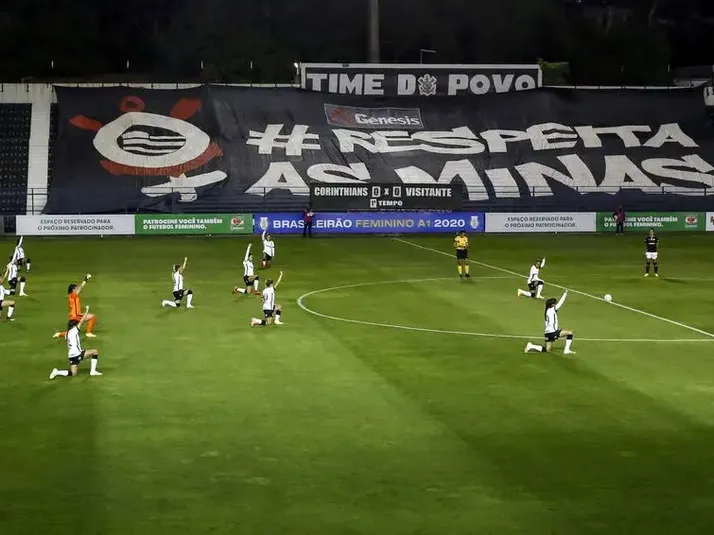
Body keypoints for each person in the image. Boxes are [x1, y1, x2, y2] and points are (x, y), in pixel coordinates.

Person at [49, 306, 102, 379]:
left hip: (71, 356)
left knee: (73, 373)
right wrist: (87, 311)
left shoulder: (67, 334)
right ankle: (93, 371)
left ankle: (57, 372)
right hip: (77, 354)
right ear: (74, 326)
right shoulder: (74, 330)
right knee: (95, 351)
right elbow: (82, 320)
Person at [524, 291, 575, 355]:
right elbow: (560, 303)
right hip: (553, 332)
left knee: (547, 350)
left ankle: (531, 346)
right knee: (570, 333)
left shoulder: (547, 312)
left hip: (547, 333)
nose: (556, 304)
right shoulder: (552, 309)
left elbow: (546, 323)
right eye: (555, 303)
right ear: (552, 305)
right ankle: (566, 350)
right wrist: (565, 294)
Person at [53, 274, 97, 338]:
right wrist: (86, 278)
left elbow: (80, 288)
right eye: (76, 288)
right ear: (73, 290)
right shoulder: (73, 295)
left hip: (74, 316)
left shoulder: (72, 295)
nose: (77, 289)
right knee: (93, 317)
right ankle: (88, 333)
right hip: (76, 316)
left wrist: (86, 279)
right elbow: (81, 287)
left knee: (72, 332)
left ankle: (59, 334)